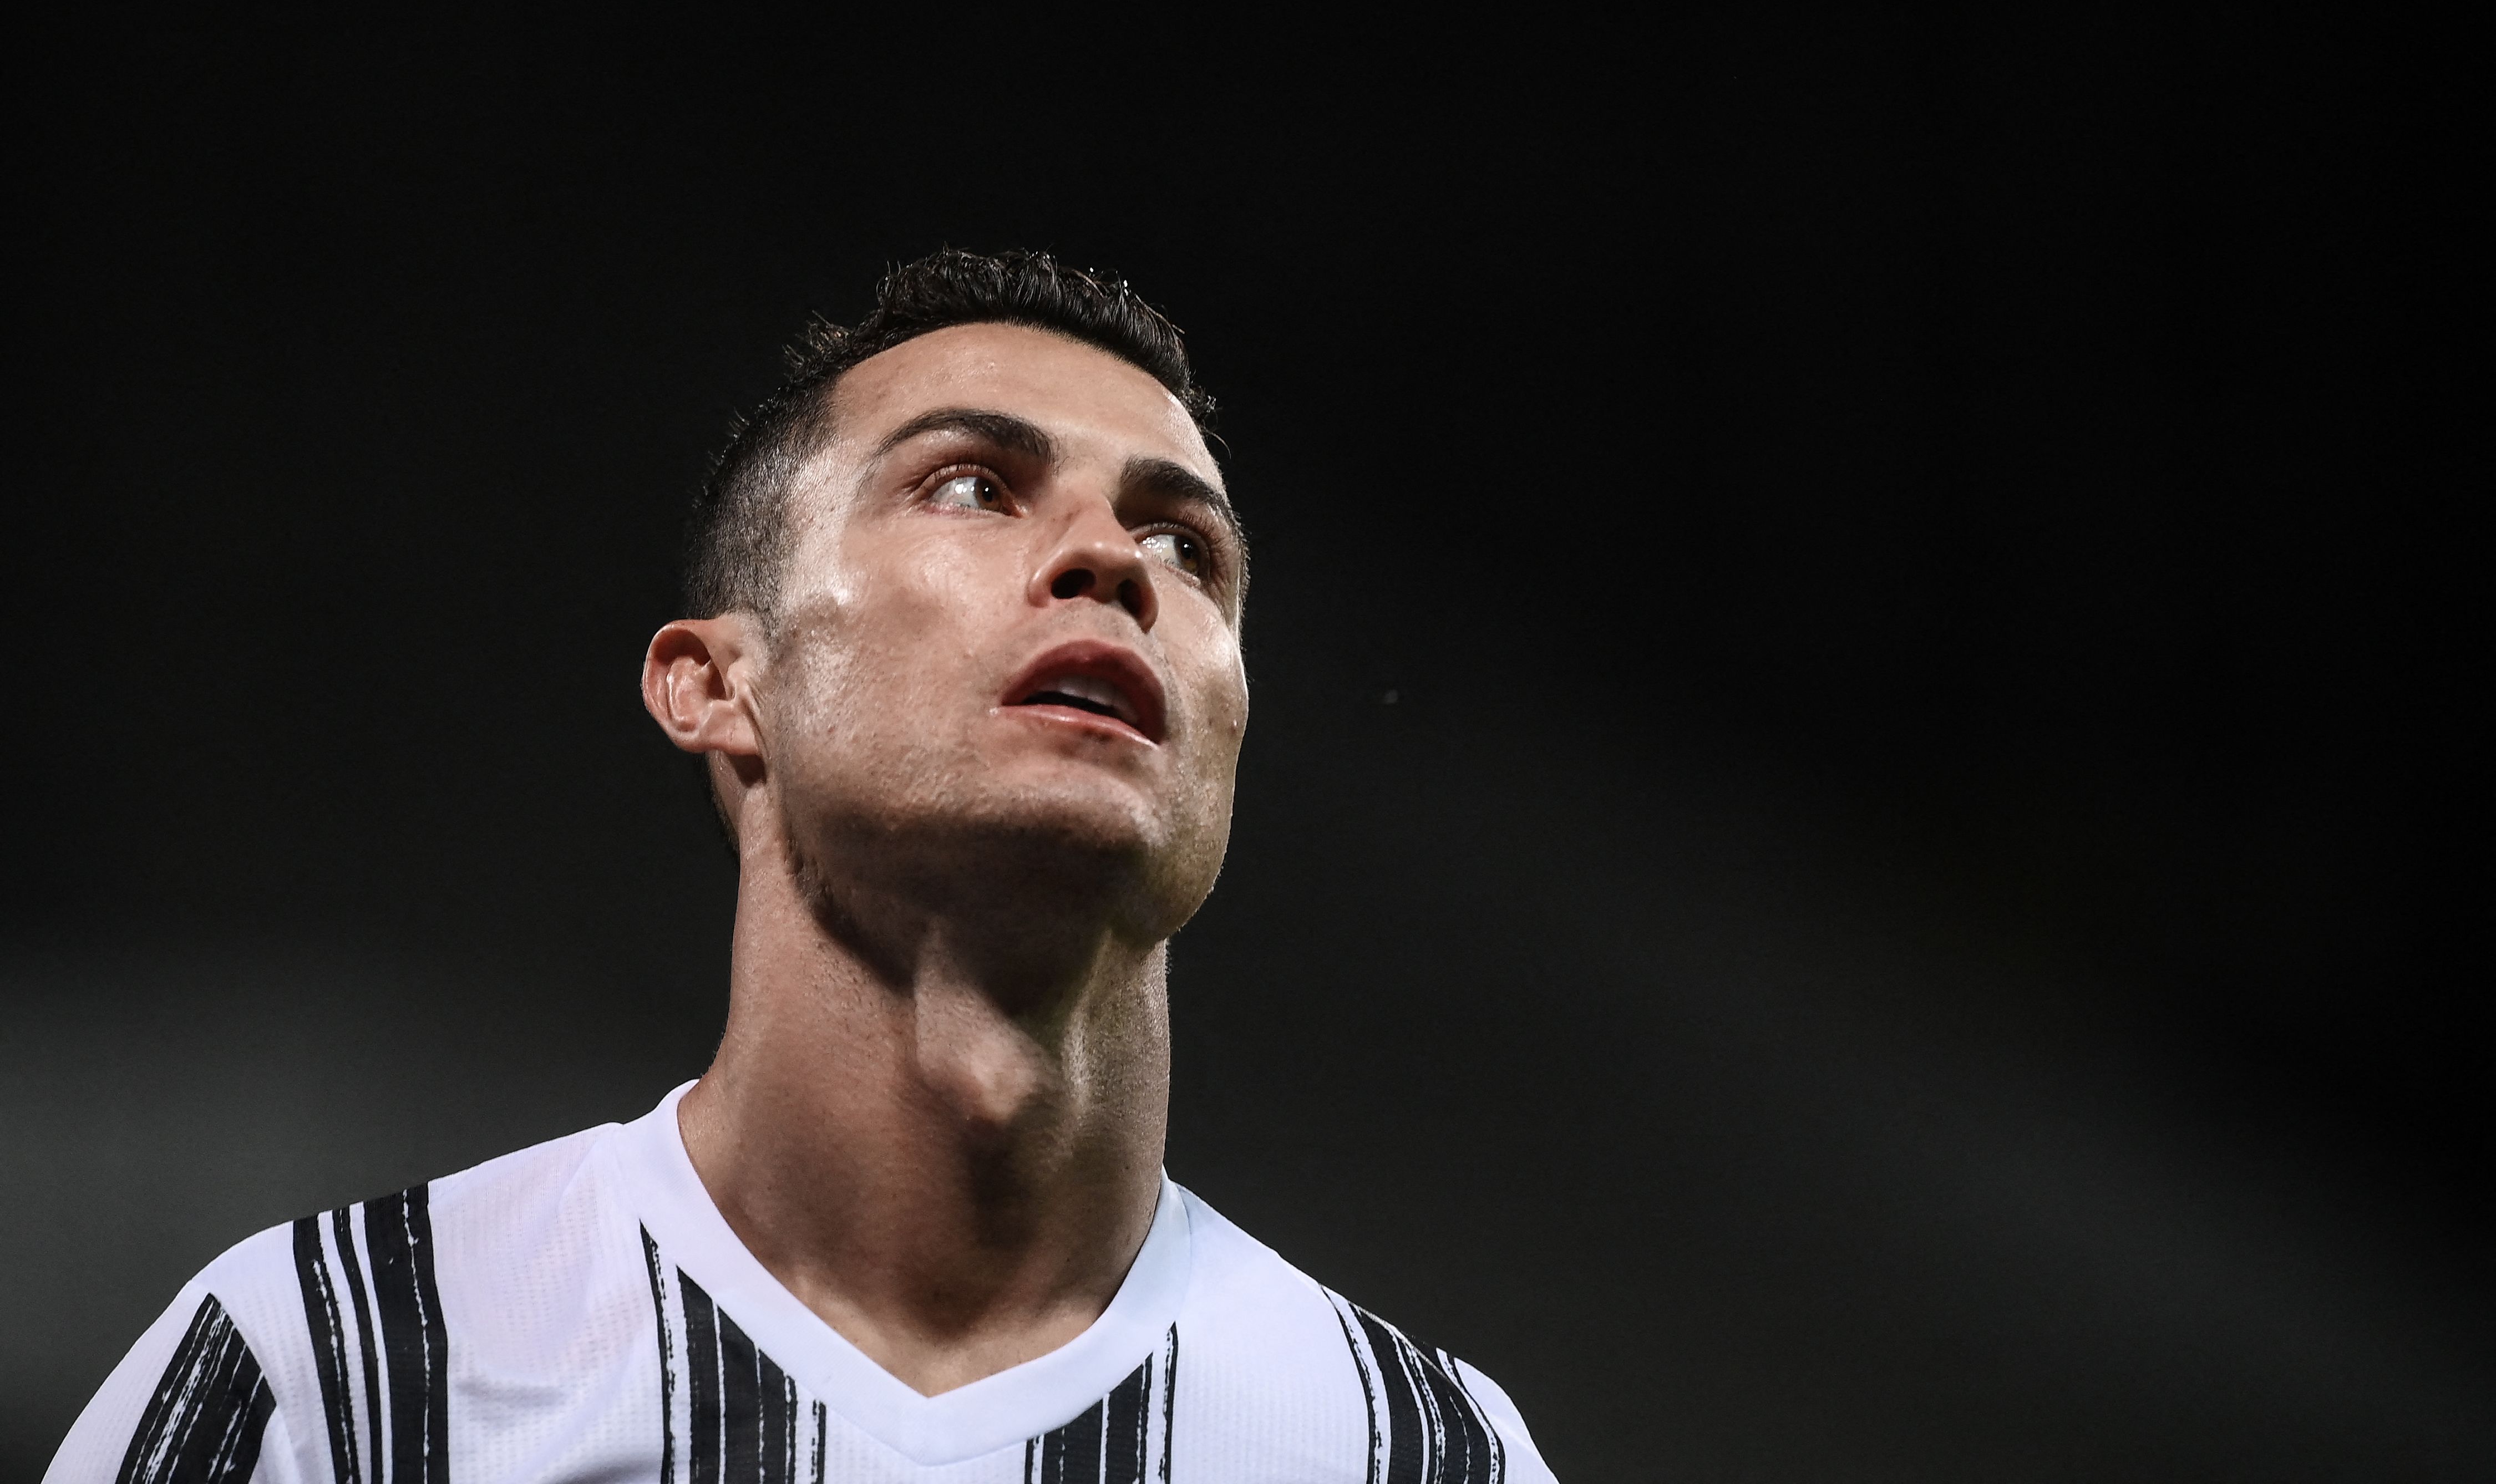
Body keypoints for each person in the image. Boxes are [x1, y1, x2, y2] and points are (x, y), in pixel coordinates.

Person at [47, 250, 1555, 1484]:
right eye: (971, 484)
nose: (1108, 556)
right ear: (715, 684)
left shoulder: (1414, 1450)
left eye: (1184, 544)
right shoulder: (341, 1375)